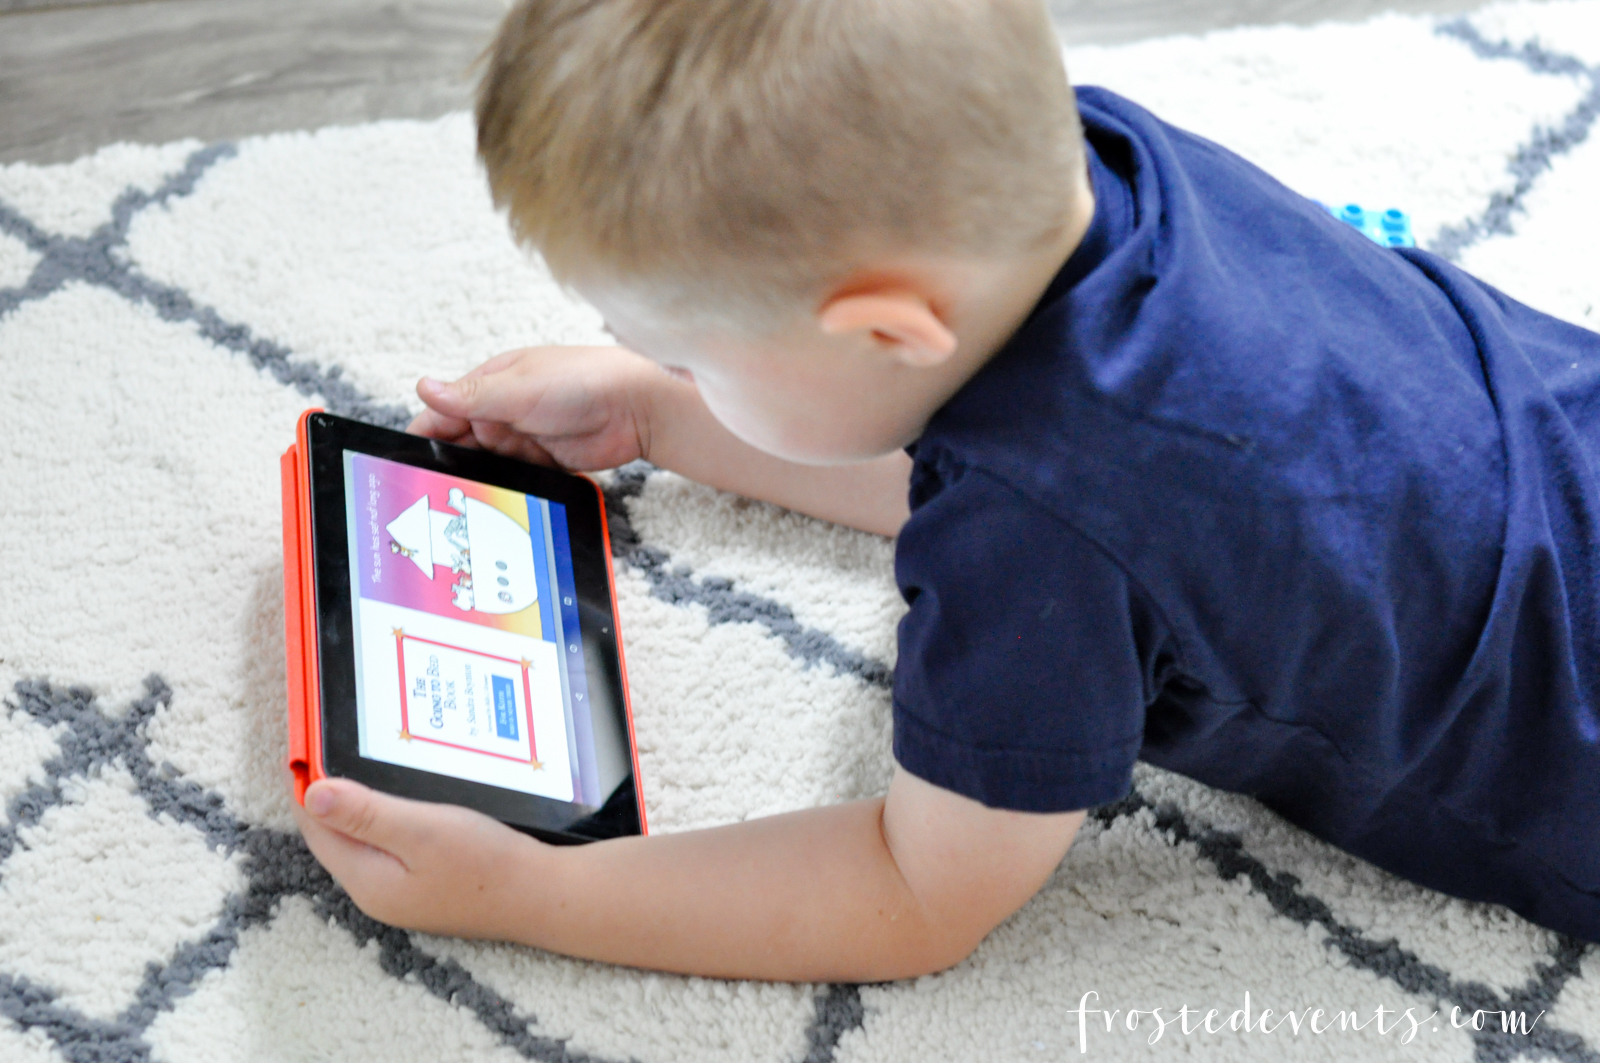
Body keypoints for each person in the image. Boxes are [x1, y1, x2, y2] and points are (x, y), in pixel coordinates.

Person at [291, 0, 1600, 978]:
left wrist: (526, 893)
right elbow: (1016, 442)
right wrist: (660, 413)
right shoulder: (1114, 160)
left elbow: (913, 891)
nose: (669, 368)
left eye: (691, 353)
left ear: (887, 330)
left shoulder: (1036, 543)